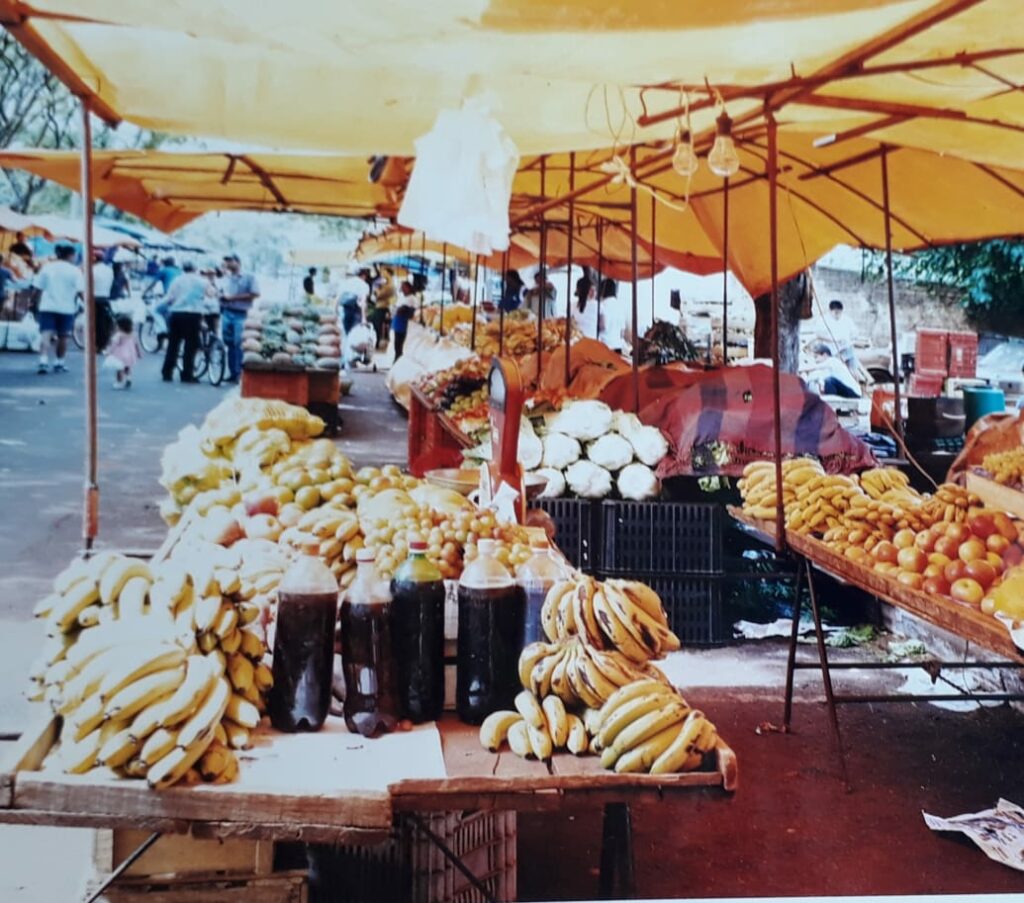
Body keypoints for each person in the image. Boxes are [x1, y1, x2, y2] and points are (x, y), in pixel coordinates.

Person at [34, 244, 83, 374]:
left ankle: (43, 361)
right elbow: (80, 291)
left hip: (47, 306)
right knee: (63, 336)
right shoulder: (75, 271)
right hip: (66, 308)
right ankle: (59, 362)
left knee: (46, 334)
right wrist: (87, 305)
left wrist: (34, 303)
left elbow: (38, 288)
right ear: (71, 255)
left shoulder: (47, 267)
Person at [161, 261, 208, 383]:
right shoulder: (202, 281)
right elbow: (210, 294)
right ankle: (187, 374)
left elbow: (170, 297)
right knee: (190, 346)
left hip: (177, 314)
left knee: (173, 344)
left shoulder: (177, 280)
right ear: (195, 268)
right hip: (193, 315)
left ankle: (167, 372)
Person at [219, 253, 260, 383]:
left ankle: (239, 373)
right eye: (226, 261)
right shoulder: (226, 278)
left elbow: (255, 293)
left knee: (239, 344)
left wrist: (233, 298)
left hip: (240, 313)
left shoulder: (248, 277)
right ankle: (233, 373)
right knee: (229, 343)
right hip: (226, 312)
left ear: (237, 262)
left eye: (230, 261)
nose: (228, 264)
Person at [821, 300, 860, 376]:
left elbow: (855, 333)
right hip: (833, 351)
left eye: (840, 312)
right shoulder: (824, 320)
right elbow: (818, 335)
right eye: (836, 313)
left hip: (847, 348)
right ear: (830, 311)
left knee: (853, 370)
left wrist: (851, 340)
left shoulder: (847, 320)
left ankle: (856, 384)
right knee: (837, 372)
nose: (838, 315)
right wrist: (834, 340)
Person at [103, 314, 142, 389]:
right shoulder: (132, 334)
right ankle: (128, 378)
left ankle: (119, 382)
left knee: (119, 369)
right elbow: (136, 345)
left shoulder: (119, 335)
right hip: (131, 355)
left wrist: (108, 352)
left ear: (120, 326)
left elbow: (113, 345)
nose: (116, 327)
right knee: (127, 367)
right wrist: (139, 353)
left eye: (117, 325)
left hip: (121, 355)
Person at [92, 249, 115, 352]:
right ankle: (103, 345)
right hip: (105, 298)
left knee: (95, 324)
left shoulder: (91, 270)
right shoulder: (109, 270)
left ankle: (97, 345)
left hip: (93, 298)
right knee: (104, 323)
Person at [339, 267, 370, 336]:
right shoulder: (364, 285)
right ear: (364, 276)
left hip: (346, 311)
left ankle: (347, 344)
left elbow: (338, 298)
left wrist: (335, 313)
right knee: (355, 334)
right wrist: (364, 318)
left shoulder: (346, 283)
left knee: (347, 333)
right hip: (356, 312)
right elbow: (363, 301)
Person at [597, 277, 625, 353]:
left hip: (605, 346)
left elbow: (603, 326)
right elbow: (622, 332)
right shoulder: (620, 306)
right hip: (618, 347)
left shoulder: (601, 305)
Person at [392, 281, 418, 361]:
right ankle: (397, 359)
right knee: (397, 344)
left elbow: (404, 310)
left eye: (404, 287)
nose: (402, 289)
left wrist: (399, 309)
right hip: (397, 322)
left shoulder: (412, 298)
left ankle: (398, 359)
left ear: (409, 288)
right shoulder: (403, 297)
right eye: (402, 287)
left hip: (403, 324)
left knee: (399, 344)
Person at [572, 270, 598, 339]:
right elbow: (603, 326)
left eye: (595, 290)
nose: (594, 293)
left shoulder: (572, 305)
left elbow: (571, 324)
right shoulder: (598, 306)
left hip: (577, 339)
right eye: (591, 290)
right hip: (592, 340)